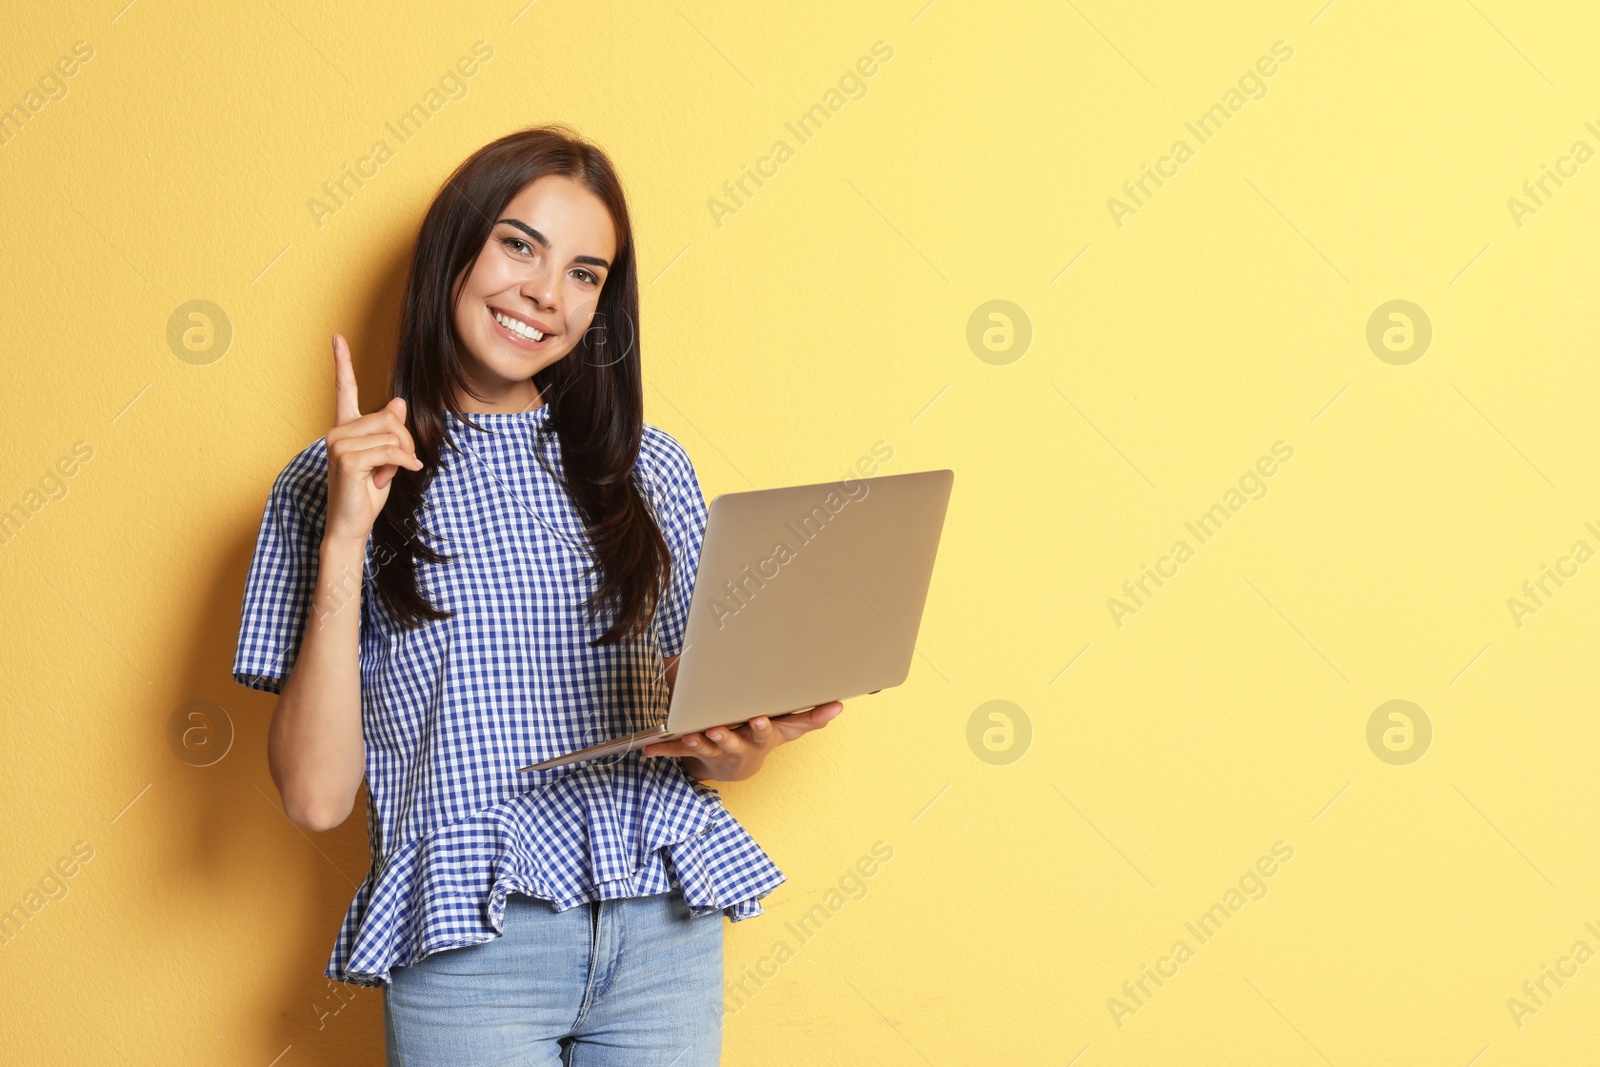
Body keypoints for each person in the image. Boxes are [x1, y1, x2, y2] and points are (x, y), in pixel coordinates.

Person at [231, 123, 844, 1066]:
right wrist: (349, 533)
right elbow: (315, 797)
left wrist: (743, 741)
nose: (544, 295)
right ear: (455, 248)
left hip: (661, 932)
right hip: (473, 945)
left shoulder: (650, 469)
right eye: (519, 244)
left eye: (585, 273)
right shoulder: (332, 481)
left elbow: (709, 750)